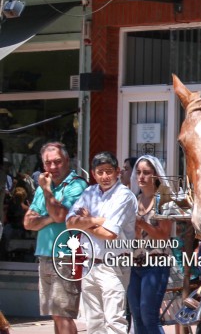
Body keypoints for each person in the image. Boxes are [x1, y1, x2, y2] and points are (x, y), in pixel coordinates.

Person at [67, 151, 137, 334]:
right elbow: (69, 223)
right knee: (93, 322)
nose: (105, 176)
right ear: (93, 174)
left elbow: (109, 234)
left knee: (114, 321)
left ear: (117, 171)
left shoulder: (124, 195)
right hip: (90, 263)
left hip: (114, 264)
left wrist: (85, 223)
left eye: (109, 171)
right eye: (100, 172)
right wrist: (96, 220)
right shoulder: (89, 192)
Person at [22, 142, 88, 334]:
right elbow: (28, 222)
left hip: (66, 256)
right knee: (55, 314)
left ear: (67, 161)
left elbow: (60, 215)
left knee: (64, 314)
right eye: (48, 163)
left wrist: (48, 195)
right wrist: (52, 215)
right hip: (44, 255)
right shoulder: (44, 187)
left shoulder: (76, 184)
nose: (53, 167)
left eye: (57, 162)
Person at [127, 156, 172, 334]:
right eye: (138, 172)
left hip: (156, 264)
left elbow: (164, 235)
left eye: (146, 172)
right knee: (137, 316)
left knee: (149, 316)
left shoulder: (164, 201)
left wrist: (142, 224)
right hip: (135, 263)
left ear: (156, 175)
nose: (141, 177)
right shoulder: (133, 201)